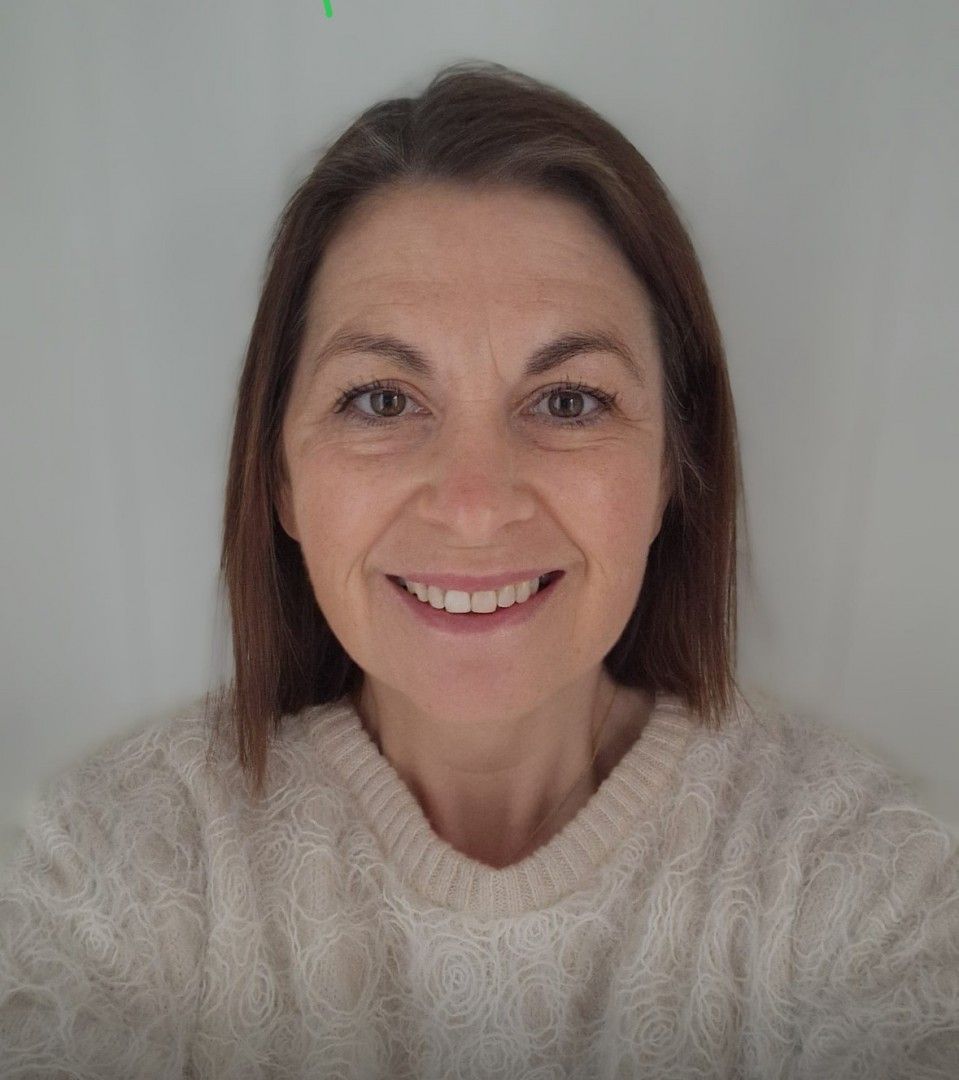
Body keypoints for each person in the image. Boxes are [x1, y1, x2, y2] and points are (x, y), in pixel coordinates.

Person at [1, 59, 957, 1079]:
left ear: (678, 466)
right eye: (379, 400)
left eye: (567, 401)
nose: (471, 504)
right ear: (277, 476)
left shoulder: (857, 884)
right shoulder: (112, 871)